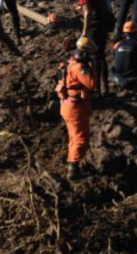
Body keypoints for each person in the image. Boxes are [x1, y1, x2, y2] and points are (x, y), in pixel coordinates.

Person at [63, 0, 114, 96]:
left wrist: (84, 33)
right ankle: (105, 88)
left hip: (95, 25)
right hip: (105, 22)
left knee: (93, 56)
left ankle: (96, 89)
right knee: (101, 56)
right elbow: (94, 4)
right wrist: (81, 6)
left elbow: (88, 12)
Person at [56, 37, 97, 179]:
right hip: (75, 107)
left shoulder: (69, 64)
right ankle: (73, 168)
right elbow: (91, 84)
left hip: (68, 105)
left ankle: (73, 162)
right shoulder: (80, 68)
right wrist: (91, 66)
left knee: (74, 137)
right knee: (80, 138)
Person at [110, 21, 137, 89]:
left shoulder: (116, 45)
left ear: (124, 33)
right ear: (136, 33)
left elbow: (115, 57)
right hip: (132, 78)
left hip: (118, 75)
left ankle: (119, 80)